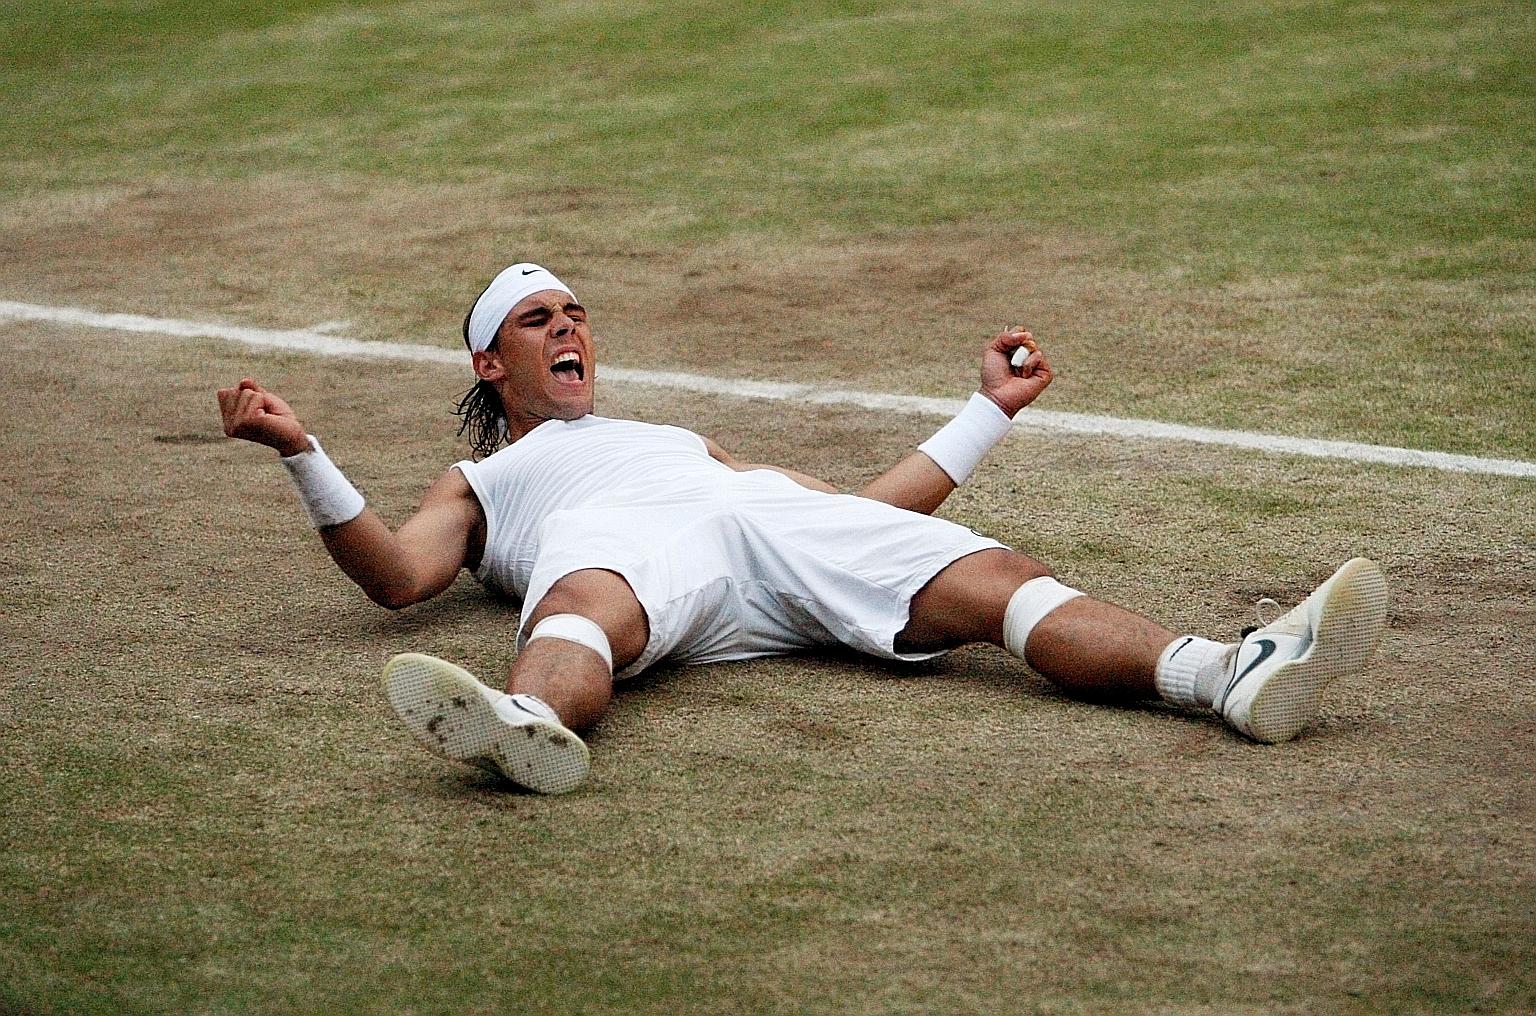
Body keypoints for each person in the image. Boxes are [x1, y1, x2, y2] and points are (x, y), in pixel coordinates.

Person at [216, 262, 1389, 794]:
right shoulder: (488, 477)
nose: (569, 325)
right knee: (586, 606)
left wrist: (983, 411)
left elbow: (858, 515)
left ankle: (1221, 673)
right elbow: (398, 577)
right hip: (626, 549)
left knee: (994, 577)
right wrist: (302, 450)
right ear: (492, 357)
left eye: (576, 310)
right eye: (537, 317)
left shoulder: (682, 437)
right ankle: (526, 722)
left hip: (768, 526)